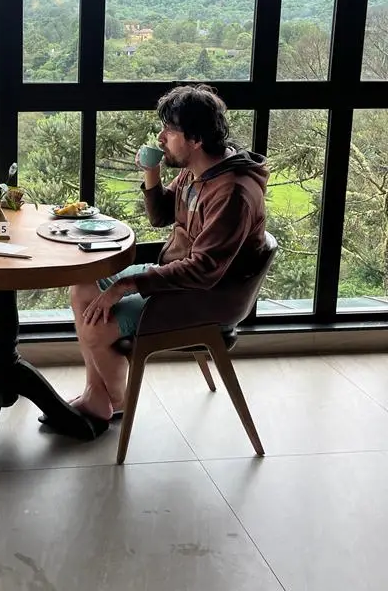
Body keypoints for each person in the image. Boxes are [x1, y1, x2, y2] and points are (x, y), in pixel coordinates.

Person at [68, 84, 268, 422]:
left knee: (96, 329)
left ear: (196, 139)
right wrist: (152, 173)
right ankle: (96, 394)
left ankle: (116, 402)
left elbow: (203, 270)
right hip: (178, 278)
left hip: (206, 297)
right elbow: (162, 215)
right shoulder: (199, 170)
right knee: (82, 290)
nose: (161, 138)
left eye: (169, 131)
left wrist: (124, 286)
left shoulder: (231, 192)